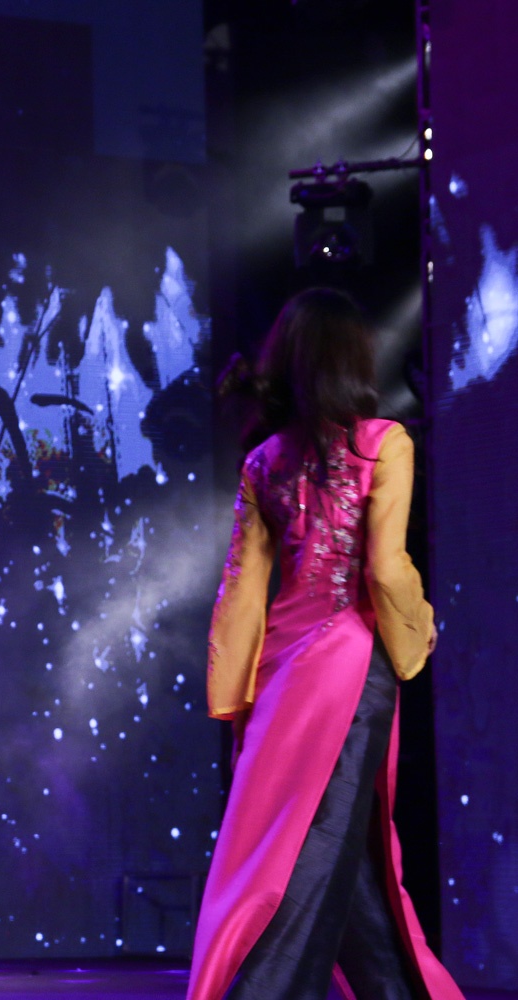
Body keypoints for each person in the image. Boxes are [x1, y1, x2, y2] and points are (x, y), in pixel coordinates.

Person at [188, 288, 463, 999]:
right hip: (349, 660)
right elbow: (384, 568)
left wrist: (234, 698)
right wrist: (419, 626)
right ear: (354, 358)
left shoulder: (263, 461)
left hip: (279, 669)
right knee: (324, 838)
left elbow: (241, 591)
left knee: (328, 843)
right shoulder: (383, 443)